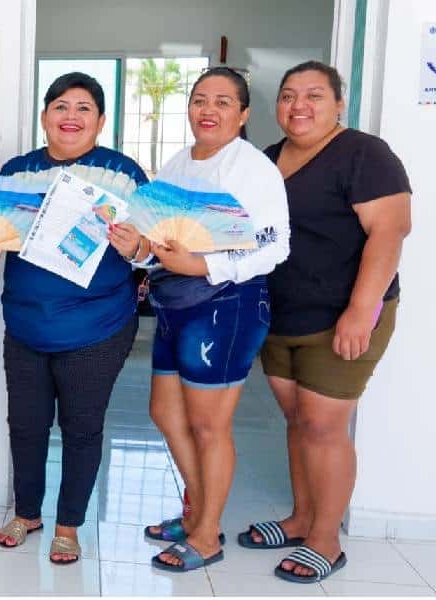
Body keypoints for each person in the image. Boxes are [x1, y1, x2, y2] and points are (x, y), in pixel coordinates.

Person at [238, 61, 411, 584]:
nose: (299, 106)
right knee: (298, 422)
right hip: (284, 313)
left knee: (323, 426)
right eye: (289, 95)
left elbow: (390, 230)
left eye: (315, 95)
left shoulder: (364, 153)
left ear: (339, 103)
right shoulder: (268, 160)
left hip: (345, 314)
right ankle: (299, 518)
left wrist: (362, 311)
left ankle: (326, 540)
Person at [0, 72, 147, 564]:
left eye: (84, 108)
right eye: (61, 107)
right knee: (25, 425)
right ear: (45, 116)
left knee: (81, 427)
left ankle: (68, 524)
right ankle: (27, 513)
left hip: (98, 326)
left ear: (100, 120)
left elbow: (153, 246)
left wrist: (138, 248)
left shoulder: (123, 173)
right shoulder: (17, 171)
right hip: (25, 323)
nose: (71, 117)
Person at [133, 67, 290, 572]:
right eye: (200, 99)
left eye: (223, 102)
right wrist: (138, 249)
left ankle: (206, 537)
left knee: (208, 425)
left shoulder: (251, 168)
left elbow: (274, 245)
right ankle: (200, 511)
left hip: (229, 302)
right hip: (176, 300)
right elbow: (159, 236)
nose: (209, 109)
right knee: (166, 412)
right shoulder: (179, 162)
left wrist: (201, 264)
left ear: (243, 115)